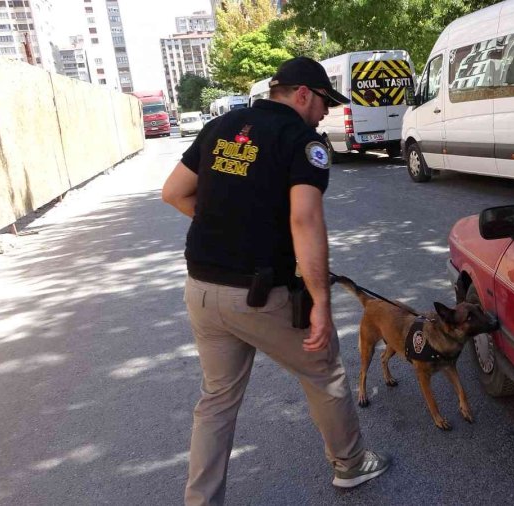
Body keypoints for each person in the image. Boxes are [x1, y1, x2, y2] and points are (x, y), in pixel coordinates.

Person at [161, 56, 391, 506]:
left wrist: (227, 231)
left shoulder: (222, 126)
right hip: (261, 294)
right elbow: (305, 220)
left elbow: (173, 192)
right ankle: (350, 464)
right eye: (324, 101)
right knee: (324, 370)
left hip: (202, 289)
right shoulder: (301, 140)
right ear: (303, 94)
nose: (325, 111)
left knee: (216, 402)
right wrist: (321, 302)